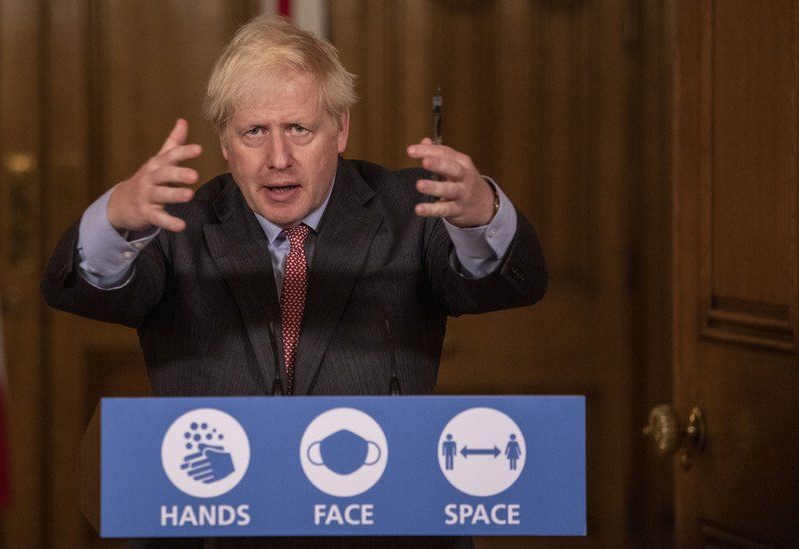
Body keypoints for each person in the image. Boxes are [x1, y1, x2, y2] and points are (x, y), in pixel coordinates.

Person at [43, 15, 546, 549]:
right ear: (225, 141)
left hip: (386, 532)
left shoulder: (413, 209)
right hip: (208, 534)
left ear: (340, 129)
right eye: (254, 132)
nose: (277, 159)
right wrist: (116, 218)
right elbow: (79, 288)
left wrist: (480, 213)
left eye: (298, 130)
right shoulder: (175, 221)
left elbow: (511, 282)